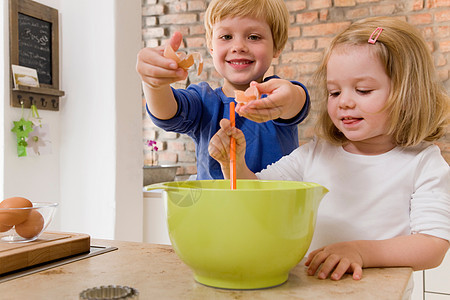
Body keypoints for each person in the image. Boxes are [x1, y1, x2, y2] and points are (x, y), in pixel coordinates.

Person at [208, 16, 449, 281]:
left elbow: (432, 245)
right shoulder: (316, 154)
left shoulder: (423, 163)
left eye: (363, 90)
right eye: (334, 92)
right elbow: (259, 194)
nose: (344, 102)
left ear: (407, 95)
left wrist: (359, 252)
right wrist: (234, 164)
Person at [136, 0, 310, 180]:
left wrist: (292, 97)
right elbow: (166, 112)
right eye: (226, 37)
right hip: (215, 208)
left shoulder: (276, 97)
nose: (238, 47)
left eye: (254, 37)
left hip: (275, 207)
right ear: (211, 47)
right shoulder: (203, 101)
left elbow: (295, 100)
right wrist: (153, 84)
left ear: (277, 46)